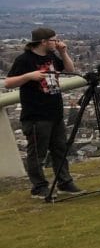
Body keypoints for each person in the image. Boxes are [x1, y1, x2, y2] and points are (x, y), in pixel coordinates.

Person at [4, 27, 82, 198]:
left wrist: (63, 52)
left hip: (55, 112)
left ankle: (64, 182)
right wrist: (29, 76)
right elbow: (8, 83)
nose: (57, 41)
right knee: (37, 153)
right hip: (36, 115)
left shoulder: (51, 56)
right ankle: (39, 187)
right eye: (54, 39)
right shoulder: (24, 60)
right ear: (43, 41)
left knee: (59, 149)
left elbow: (69, 70)